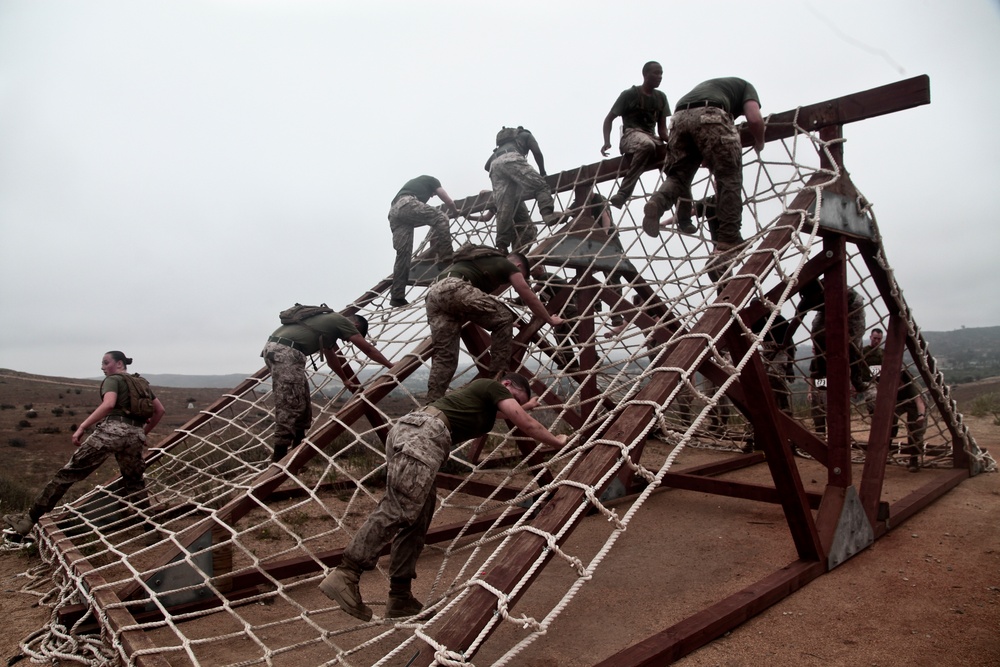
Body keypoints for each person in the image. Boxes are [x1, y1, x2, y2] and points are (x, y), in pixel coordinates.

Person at [318, 373, 570, 620]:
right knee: (399, 508)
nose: (514, 403)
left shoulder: (485, 403)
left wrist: (527, 404)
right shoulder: (493, 387)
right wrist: (557, 441)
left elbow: (509, 412)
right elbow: (526, 424)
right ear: (506, 385)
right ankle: (346, 573)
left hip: (418, 434)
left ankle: (400, 596)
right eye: (514, 396)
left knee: (418, 516)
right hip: (424, 435)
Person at [3, 351, 166, 537]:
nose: (103, 367)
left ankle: (29, 520)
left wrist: (82, 426)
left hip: (110, 433)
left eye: (106, 363)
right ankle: (151, 532)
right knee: (135, 483)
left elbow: (108, 404)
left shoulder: (114, 380)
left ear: (119, 363)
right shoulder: (141, 383)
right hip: (134, 436)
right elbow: (159, 411)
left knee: (67, 474)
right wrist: (141, 434)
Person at [641, 77, 765, 249]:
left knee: (679, 176)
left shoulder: (715, 87)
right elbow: (754, 118)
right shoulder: (747, 87)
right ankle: (729, 237)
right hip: (710, 113)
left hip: (679, 119)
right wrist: (760, 141)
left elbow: (701, 137)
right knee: (728, 175)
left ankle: (657, 202)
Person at [425, 251, 565, 401]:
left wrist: (498, 320)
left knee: (445, 357)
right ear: (518, 266)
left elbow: (473, 305)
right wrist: (549, 319)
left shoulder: (482, 263)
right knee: (504, 317)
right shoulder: (508, 265)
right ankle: (496, 380)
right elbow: (527, 294)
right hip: (454, 287)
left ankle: (432, 401)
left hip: (434, 297)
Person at [263, 311, 393, 462]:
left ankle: (296, 456)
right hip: (285, 353)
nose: (347, 342)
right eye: (349, 339)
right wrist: (390, 365)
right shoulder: (341, 321)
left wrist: (344, 379)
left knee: (302, 400)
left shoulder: (327, 326)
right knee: (290, 402)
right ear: (355, 326)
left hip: (284, 352)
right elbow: (368, 349)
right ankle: (279, 456)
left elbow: (331, 357)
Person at [601, 61, 671, 210]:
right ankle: (623, 193)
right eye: (656, 73)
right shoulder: (630, 94)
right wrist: (606, 141)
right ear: (645, 74)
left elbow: (662, 131)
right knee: (647, 145)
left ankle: (682, 213)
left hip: (652, 137)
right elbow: (609, 119)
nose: (660, 77)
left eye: (661, 73)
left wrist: (674, 142)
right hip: (631, 135)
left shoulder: (661, 98)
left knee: (675, 159)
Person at [388, 175, 460, 308]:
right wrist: (455, 211)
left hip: (394, 213)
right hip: (407, 203)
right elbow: (448, 201)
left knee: (403, 255)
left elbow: (418, 215)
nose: (432, 196)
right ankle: (447, 258)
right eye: (433, 193)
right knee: (441, 218)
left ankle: (397, 296)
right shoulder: (432, 180)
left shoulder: (413, 185)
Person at [485, 127, 565, 239]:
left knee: (504, 207)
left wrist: (510, 179)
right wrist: (542, 172)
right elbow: (537, 152)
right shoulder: (526, 135)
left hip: (494, 167)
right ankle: (548, 214)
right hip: (511, 158)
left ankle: (502, 244)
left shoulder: (499, 149)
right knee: (540, 185)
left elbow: (486, 166)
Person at [467, 189, 537, 255]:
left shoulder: (510, 195)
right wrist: (470, 217)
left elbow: (509, 190)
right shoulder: (497, 202)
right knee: (515, 255)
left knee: (517, 256)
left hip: (526, 228)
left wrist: (489, 192)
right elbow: (487, 217)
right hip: (514, 232)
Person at [862, 328, 884, 414]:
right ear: (870, 337)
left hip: (880, 382)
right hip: (866, 381)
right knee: (873, 397)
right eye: (875, 338)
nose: (876, 341)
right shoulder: (863, 351)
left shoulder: (883, 353)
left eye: (879, 339)